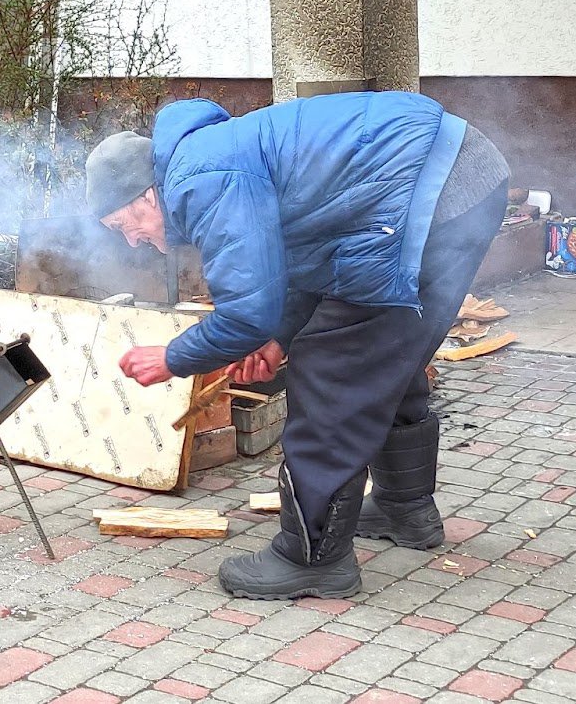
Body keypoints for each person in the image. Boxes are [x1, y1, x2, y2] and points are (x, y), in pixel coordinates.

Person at [85, 91, 508, 601]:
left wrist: (172, 358)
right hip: (454, 175)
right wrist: (278, 334)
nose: (130, 240)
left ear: (144, 196)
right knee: (385, 348)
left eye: (120, 225)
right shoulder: (213, 157)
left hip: (427, 187)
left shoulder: (201, 179)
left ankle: (313, 558)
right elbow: (310, 253)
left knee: (332, 367)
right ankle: (404, 508)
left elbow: (244, 312)